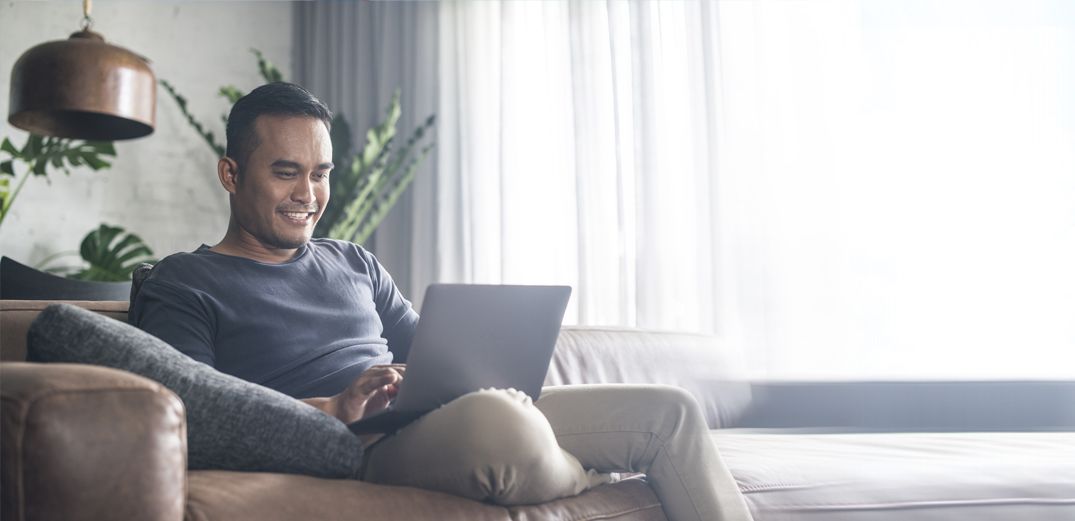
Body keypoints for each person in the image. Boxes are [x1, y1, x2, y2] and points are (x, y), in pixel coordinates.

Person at [129, 82, 750, 521]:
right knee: (501, 424)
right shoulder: (183, 283)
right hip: (356, 445)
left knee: (667, 411)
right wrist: (333, 406)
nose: (309, 194)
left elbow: (438, 356)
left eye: (321, 172)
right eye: (286, 171)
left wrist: (467, 372)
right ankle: (588, 470)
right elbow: (193, 417)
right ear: (232, 174)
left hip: (439, 419)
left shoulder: (353, 261)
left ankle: (552, 450)